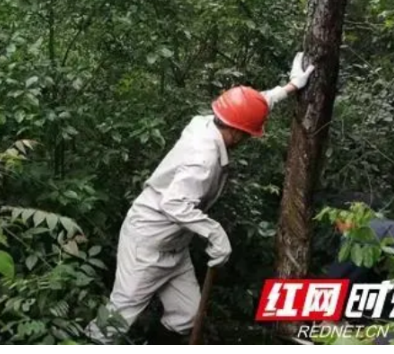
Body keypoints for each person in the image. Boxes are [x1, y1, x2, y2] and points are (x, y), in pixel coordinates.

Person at [86, 53, 315, 344]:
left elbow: (251, 106)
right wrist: (214, 232)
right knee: (119, 316)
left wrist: (292, 86)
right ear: (234, 132)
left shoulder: (208, 121)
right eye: (245, 135)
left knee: (188, 317)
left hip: (175, 244)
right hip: (148, 241)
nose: (246, 140)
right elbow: (173, 203)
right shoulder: (203, 160)